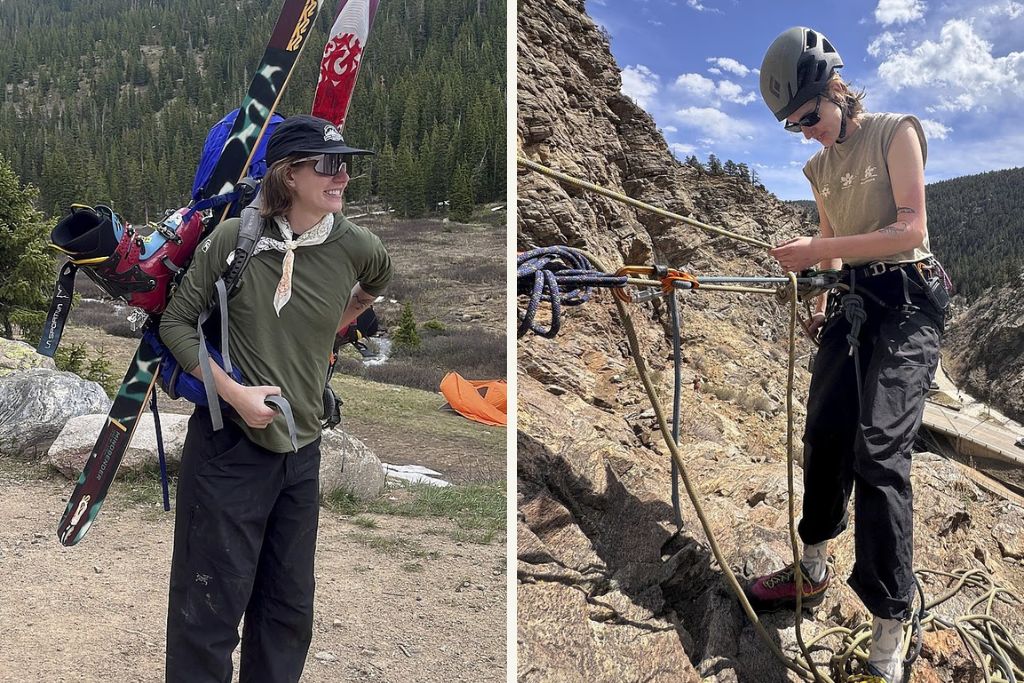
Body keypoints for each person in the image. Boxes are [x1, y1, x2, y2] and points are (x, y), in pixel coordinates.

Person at [743, 27, 949, 683]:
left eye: (809, 116)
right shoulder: (819, 167)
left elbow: (909, 227)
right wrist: (816, 280)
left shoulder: (895, 132)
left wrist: (819, 253)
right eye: (794, 126)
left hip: (910, 299)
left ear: (836, 88)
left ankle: (890, 636)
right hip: (856, 299)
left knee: (879, 448)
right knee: (823, 429)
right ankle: (811, 567)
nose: (806, 131)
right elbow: (834, 248)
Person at [160, 114, 392, 683]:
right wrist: (236, 395)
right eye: (329, 165)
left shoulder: (355, 244)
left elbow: (376, 282)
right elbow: (176, 324)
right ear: (288, 175)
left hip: (301, 449)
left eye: (347, 165)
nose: (342, 178)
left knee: (287, 612)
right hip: (227, 447)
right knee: (208, 609)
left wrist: (337, 325)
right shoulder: (235, 239)